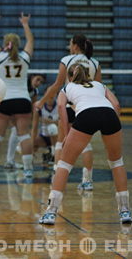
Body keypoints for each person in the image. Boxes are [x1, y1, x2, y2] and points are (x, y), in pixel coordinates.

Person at [39, 64, 132, 225]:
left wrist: (67, 134)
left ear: (69, 77)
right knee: (117, 162)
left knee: (64, 164)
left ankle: (51, 212)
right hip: (109, 114)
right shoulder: (100, 85)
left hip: (86, 115)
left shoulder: (67, 87)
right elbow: (116, 105)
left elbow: (61, 107)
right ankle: (125, 211)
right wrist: (114, 126)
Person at [35, 34, 101, 191]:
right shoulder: (95, 63)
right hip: (86, 107)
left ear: (76, 46)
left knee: (61, 141)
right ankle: (87, 181)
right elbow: (99, 86)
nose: (69, 47)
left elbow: (57, 84)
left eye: (70, 44)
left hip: (69, 104)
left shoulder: (67, 60)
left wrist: (41, 102)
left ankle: (57, 175)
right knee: (85, 144)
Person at [0, 11, 35, 178]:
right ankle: (28, 170)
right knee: (24, 135)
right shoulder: (25, 57)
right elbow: (31, 41)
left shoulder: (0, 57)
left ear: (6, 44)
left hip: (3, 100)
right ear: (18, 45)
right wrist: (25, 24)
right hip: (22, 100)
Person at [5, 73, 46, 169]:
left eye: (41, 82)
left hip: (23, 114)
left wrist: (31, 120)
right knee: (14, 132)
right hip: (10, 108)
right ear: (32, 77)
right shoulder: (22, 85)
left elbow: (33, 105)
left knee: (16, 133)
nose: (39, 83)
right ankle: (10, 160)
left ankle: (11, 160)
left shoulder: (34, 91)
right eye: (38, 79)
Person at [31, 95, 58, 167]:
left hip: (57, 137)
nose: (50, 99)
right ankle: (46, 152)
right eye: (48, 97)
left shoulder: (59, 104)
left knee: (52, 128)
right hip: (43, 136)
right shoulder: (40, 106)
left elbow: (63, 122)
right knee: (27, 144)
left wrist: (49, 121)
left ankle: (53, 155)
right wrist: (32, 143)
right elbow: (34, 127)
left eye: (51, 97)